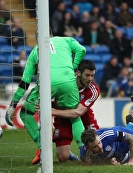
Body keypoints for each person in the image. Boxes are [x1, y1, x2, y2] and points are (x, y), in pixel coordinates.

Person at [5, 28, 86, 164]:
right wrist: (73, 67)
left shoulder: (36, 50)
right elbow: (82, 50)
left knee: (25, 113)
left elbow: (25, 81)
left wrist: (13, 105)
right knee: (75, 117)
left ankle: (42, 147)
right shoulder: (65, 40)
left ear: (38, 37)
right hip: (69, 80)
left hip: (47, 83)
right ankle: (85, 151)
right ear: (52, 33)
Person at [80, 93, 133, 166]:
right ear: (88, 147)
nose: (99, 147)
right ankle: (131, 123)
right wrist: (110, 162)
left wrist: (132, 161)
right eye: (95, 146)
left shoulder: (108, 135)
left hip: (122, 143)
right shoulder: (84, 156)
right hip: (116, 153)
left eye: (99, 143)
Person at [52, 60, 100, 162]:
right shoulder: (64, 83)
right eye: (87, 75)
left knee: (98, 148)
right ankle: (70, 155)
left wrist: (52, 111)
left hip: (84, 117)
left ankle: (124, 153)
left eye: (92, 76)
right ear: (77, 73)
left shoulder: (93, 90)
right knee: (62, 157)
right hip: (63, 119)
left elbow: (78, 112)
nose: (90, 79)